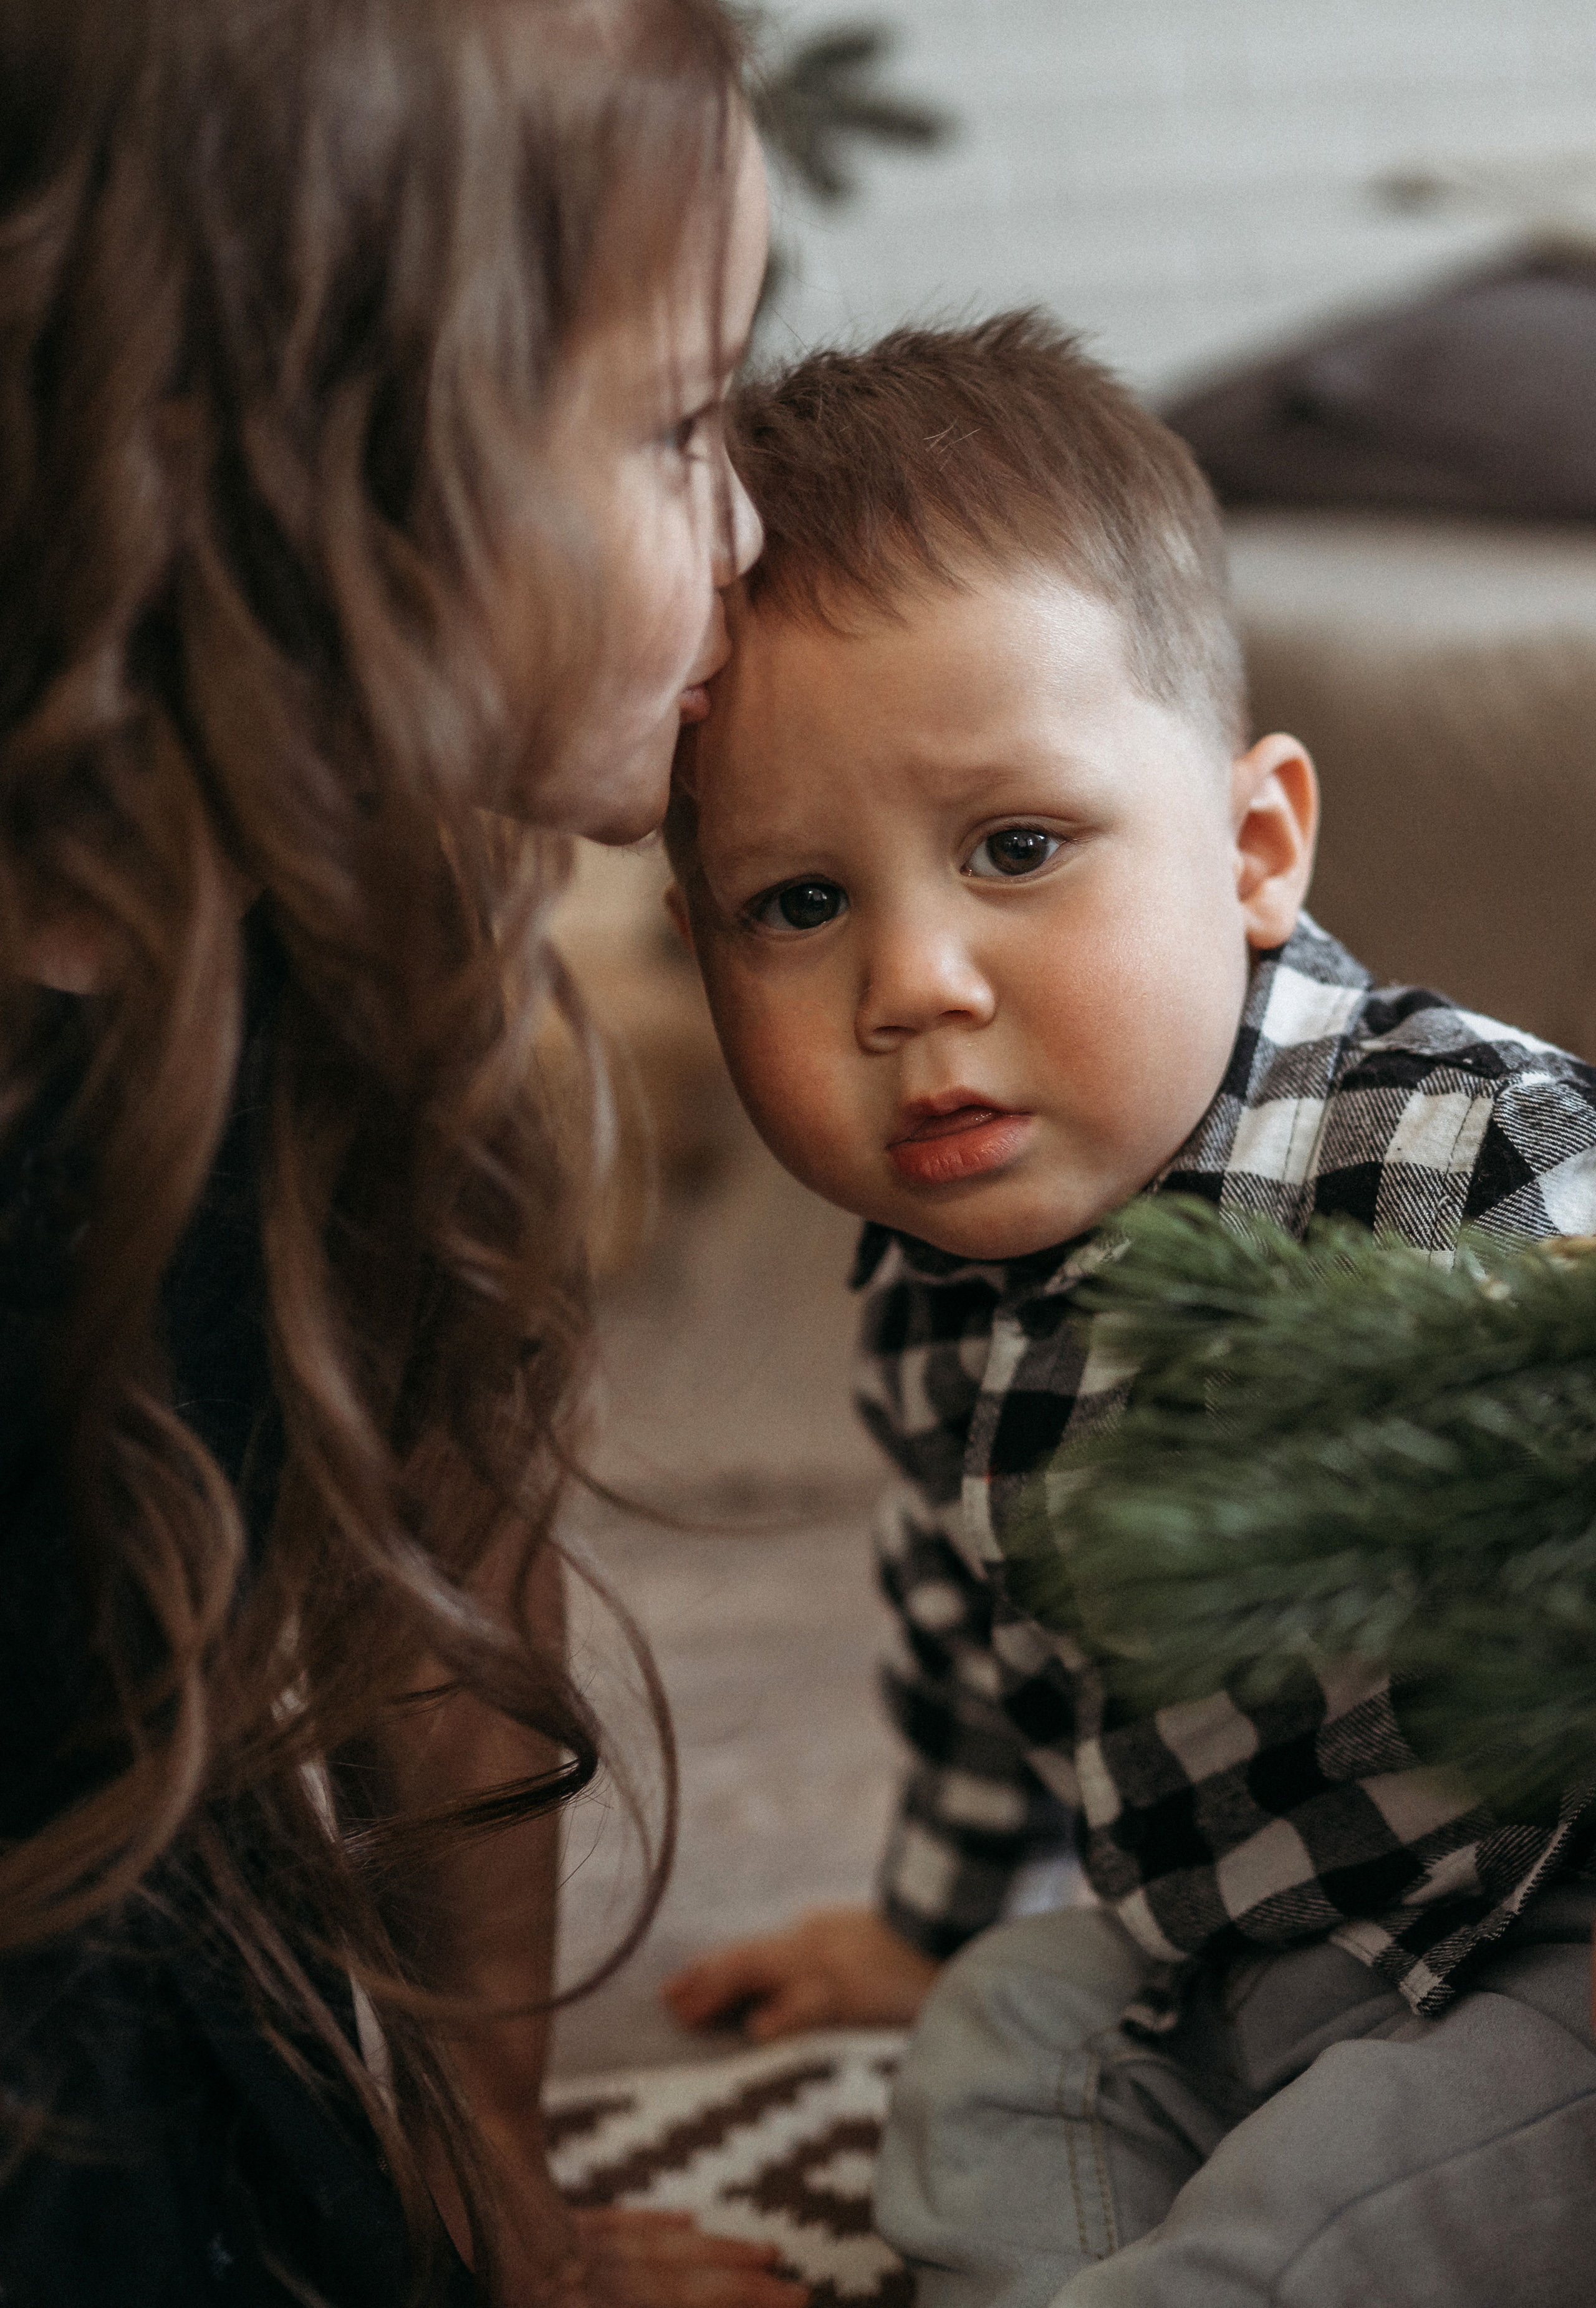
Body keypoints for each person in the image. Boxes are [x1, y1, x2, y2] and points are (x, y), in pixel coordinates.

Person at [660, 312, 1596, 2301]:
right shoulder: (935, 1297)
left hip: (1547, 1947)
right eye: (799, 903)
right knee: (1002, 2026)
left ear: (1255, 850)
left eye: (1016, 849)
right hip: (1268, 1937)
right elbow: (982, 1640)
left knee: (1326, 2208)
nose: (912, 983)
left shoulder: (1464, 1158)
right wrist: (927, 1921)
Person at [0, 2, 807, 2302]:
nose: (748, 527)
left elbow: (449, 1560)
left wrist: (493, 2166)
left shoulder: (385, 933)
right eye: (677, 427)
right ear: (258, 472)